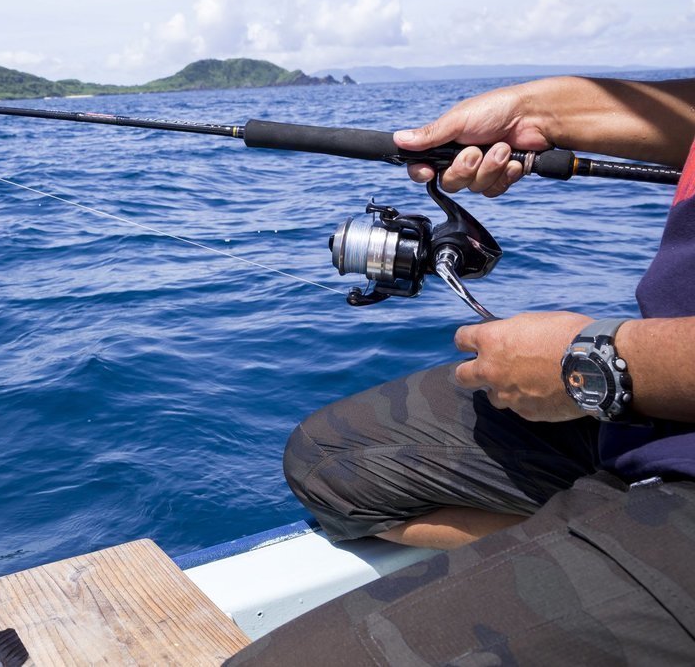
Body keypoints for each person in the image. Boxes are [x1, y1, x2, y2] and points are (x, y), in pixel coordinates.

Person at [227, 75, 695, 665]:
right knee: (328, 463)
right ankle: (594, 540)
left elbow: (606, 362)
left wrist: (594, 362)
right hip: (659, 409)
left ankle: (610, 542)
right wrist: (534, 114)